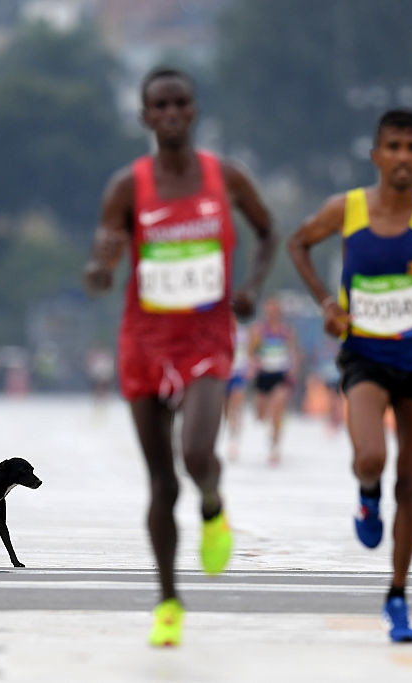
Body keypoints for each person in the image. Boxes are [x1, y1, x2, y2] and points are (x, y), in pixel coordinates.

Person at [82, 66, 277, 647]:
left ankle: (213, 504)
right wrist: (100, 269)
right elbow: (104, 253)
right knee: (161, 483)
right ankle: (168, 602)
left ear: (194, 111)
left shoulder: (226, 177)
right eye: (159, 106)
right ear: (145, 117)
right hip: (145, 342)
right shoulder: (127, 186)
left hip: (206, 339)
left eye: (180, 104)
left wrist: (251, 287)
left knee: (196, 452)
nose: (170, 114)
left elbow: (268, 232)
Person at [288, 109, 412, 642]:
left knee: (410, 484)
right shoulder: (346, 209)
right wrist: (326, 302)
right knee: (372, 457)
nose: (403, 157)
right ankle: (368, 495)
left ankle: (398, 596)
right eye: (393, 147)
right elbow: (298, 243)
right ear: (377, 155)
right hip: (364, 356)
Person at [248, 296, 301, 465]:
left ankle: (275, 446)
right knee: (261, 415)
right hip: (263, 375)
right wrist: (254, 363)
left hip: (281, 375)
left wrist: (293, 370)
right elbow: (251, 351)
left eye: (275, 311)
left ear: (279, 312)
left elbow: (293, 352)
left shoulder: (286, 331)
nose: (272, 314)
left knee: (277, 410)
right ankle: (271, 430)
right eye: (269, 311)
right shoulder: (258, 330)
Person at [224, 317, 250, 461]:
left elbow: (251, 351)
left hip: (238, 373)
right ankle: (232, 430)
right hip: (224, 374)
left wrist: (250, 366)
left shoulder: (244, 333)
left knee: (235, 407)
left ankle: (234, 439)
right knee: (227, 410)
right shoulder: (221, 330)